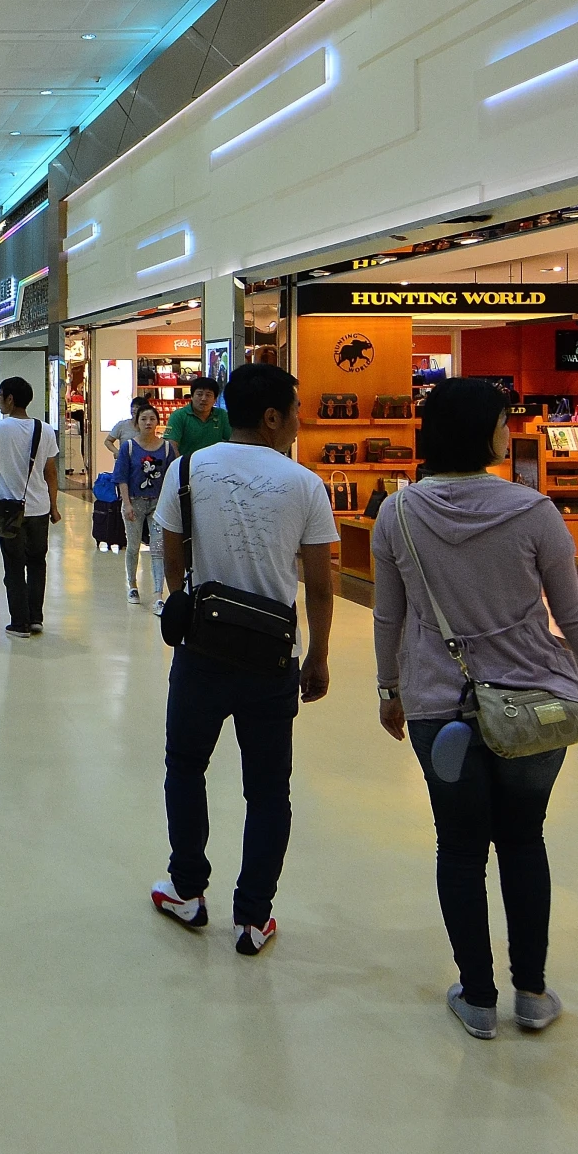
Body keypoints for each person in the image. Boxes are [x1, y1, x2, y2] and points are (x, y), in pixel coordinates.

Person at [370, 377, 578, 1040]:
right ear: (486, 433)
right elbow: (572, 614)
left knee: (459, 851)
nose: (509, 430)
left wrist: (388, 690)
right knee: (523, 840)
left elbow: (389, 615)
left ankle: (479, 997)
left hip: (439, 706)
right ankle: (533, 993)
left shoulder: (396, 514)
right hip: (535, 704)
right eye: (502, 421)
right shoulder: (534, 511)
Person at [148, 364, 336, 956]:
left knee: (185, 768)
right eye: (297, 410)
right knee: (268, 790)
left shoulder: (187, 470)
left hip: (202, 651)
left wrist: (192, 593)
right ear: (274, 416)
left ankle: (186, 889)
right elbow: (321, 583)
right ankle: (253, 917)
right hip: (271, 656)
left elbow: (170, 557)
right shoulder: (305, 484)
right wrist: (319, 657)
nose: (300, 421)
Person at [0, 376, 60, 637]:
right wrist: (54, 507)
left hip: (9, 510)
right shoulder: (44, 429)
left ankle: (19, 622)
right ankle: (36, 618)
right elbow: (51, 472)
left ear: (10, 399)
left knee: (13, 565)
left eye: (0, 395)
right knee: (37, 563)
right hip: (39, 509)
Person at [115, 406, 176, 608]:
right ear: (137, 422)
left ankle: (158, 594)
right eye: (143, 419)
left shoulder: (166, 448)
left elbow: (171, 478)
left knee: (158, 549)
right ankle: (132, 584)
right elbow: (121, 477)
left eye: (152, 418)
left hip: (158, 504)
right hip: (135, 501)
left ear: (157, 422)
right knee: (133, 546)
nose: (148, 422)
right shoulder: (129, 447)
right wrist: (126, 504)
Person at [166, 374, 232, 455]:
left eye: (208, 395)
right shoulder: (179, 416)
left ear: (215, 399)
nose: (203, 399)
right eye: (199, 394)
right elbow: (171, 444)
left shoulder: (222, 415)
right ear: (192, 396)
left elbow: (232, 439)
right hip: (187, 464)